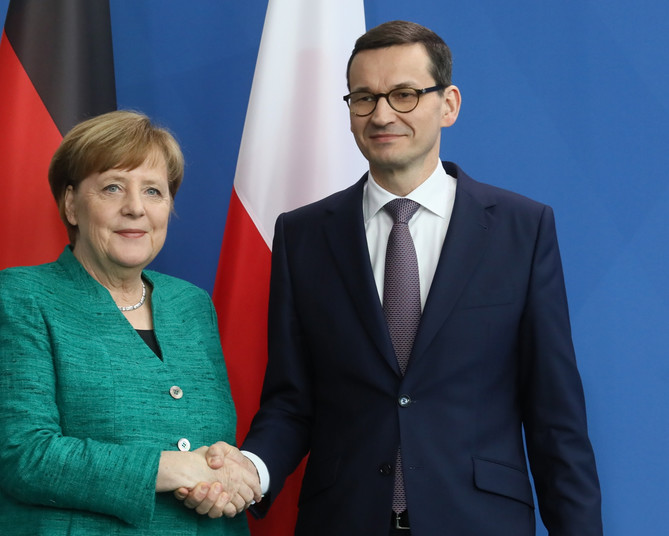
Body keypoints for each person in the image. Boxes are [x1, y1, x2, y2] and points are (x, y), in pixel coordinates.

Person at [182, 20, 603, 535]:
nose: (382, 114)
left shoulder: (522, 228)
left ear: (448, 103)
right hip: (342, 521)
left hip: (479, 521)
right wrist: (253, 469)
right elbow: (291, 403)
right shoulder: (303, 235)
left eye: (404, 95)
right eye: (364, 97)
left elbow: (555, 418)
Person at [0, 110, 259, 535]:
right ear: (71, 204)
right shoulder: (22, 295)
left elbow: (210, 450)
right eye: (112, 188)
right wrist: (170, 468)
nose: (135, 208)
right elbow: (23, 454)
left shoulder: (191, 304)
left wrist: (222, 480)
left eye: (154, 191)